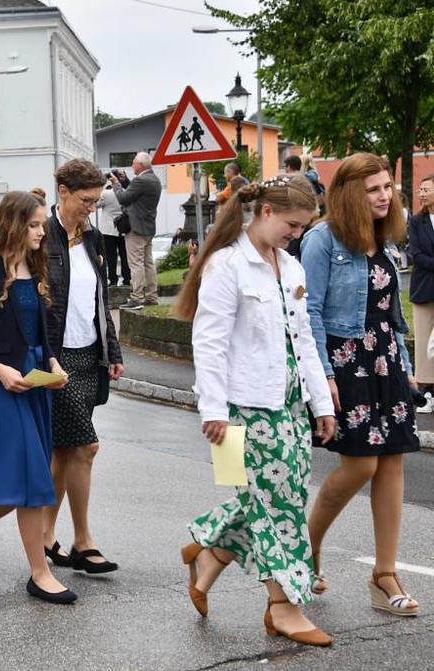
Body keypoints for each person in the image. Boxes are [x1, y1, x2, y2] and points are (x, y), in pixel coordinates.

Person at [176, 175, 335, 647]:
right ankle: (283, 606)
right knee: (278, 505)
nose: (297, 234)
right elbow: (209, 342)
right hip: (244, 408)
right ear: (265, 212)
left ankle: (208, 553)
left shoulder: (292, 266)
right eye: (292, 225)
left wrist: (320, 403)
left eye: (303, 227)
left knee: (276, 496)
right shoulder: (227, 265)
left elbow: (304, 341)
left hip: (289, 404)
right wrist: (213, 409)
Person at [302, 152, 421, 617]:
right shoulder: (322, 240)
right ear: (351, 194)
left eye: (387, 187)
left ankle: (384, 574)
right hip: (345, 360)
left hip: (385, 360)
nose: (385, 196)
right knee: (360, 466)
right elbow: (309, 311)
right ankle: (307, 547)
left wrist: (404, 364)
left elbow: (391, 314)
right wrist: (324, 374)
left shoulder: (383, 240)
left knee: (392, 463)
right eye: (374, 189)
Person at [0, 190, 75, 604]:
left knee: (24, 479)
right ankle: (39, 574)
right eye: (35, 224)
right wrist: (1, 370)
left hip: (36, 386)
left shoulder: (36, 268)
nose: (42, 232)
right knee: (31, 480)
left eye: (42, 224)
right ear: (14, 225)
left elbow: (41, 334)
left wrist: (54, 365)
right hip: (0, 388)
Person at [42, 158, 124, 574]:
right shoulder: (42, 237)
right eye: (86, 200)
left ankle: (43, 535)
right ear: (63, 192)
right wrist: (44, 356)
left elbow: (100, 299)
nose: (91, 208)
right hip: (58, 358)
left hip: (89, 355)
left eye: (95, 200)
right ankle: (83, 541)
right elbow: (36, 305)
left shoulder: (92, 237)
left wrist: (113, 351)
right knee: (86, 447)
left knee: (65, 452)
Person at [113, 152, 162, 309]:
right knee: (148, 263)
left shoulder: (141, 180)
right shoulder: (154, 179)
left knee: (136, 264)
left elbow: (123, 198)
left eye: (134, 162)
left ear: (140, 165)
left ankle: (137, 298)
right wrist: (125, 181)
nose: (132, 165)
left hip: (136, 228)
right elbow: (136, 194)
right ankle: (152, 296)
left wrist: (116, 184)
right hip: (148, 227)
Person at [409, 174, 434, 410]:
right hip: (424, 288)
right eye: (420, 190)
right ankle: (427, 392)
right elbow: (416, 255)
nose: (422, 194)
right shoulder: (417, 222)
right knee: (425, 343)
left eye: (426, 189)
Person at [98, 177, 131, 287]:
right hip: (123, 227)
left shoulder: (106, 194)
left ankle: (113, 280)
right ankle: (127, 279)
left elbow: (96, 204)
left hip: (108, 229)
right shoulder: (126, 193)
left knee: (110, 256)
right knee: (124, 255)